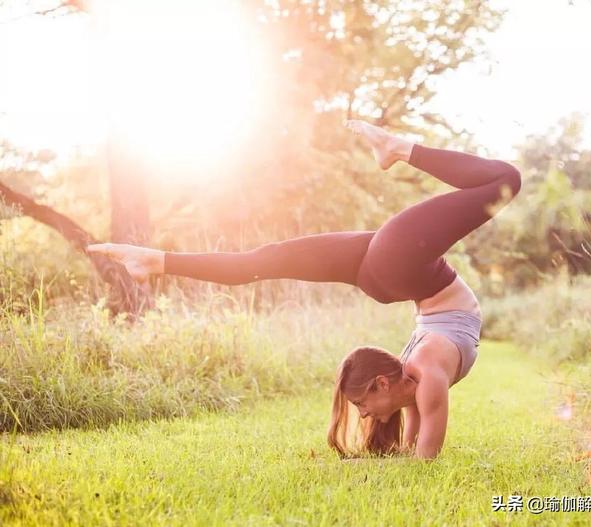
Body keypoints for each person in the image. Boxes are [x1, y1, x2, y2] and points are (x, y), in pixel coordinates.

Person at [87, 119, 522, 460]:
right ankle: (156, 261)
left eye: (358, 407)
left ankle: (157, 262)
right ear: (382, 383)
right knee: (506, 180)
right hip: (400, 265)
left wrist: (400, 454)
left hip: (395, 272)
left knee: (266, 260)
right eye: (361, 407)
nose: (362, 415)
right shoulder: (423, 379)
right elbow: (426, 453)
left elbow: (416, 447)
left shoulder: (414, 376)